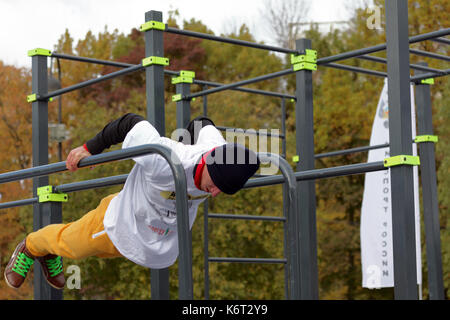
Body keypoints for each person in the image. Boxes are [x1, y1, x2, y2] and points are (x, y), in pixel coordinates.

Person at [4, 113, 260, 290]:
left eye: (222, 191)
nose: (214, 194)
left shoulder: (219, 149)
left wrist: (189, 136)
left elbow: (202, 123)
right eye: (214, 185)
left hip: (152, 236)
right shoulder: (164, 159)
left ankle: (49, 252)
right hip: (118, 222)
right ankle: (32, 247)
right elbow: (130, 122)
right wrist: (89, 148)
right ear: (207, 163)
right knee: (73, 246)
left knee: (99, 254)